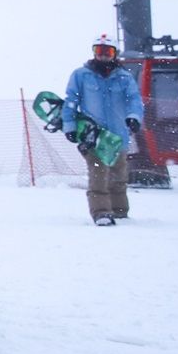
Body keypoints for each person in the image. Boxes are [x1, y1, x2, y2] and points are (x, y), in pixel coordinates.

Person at [61, 37, 146, 227]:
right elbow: (71, 101)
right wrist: (70, 126)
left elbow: (134, 100)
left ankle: (120, 211)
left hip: (118, 137)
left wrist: (134, 117)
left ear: (115, 54)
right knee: (99, 174)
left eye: (107, 52)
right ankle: (101, 213)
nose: (102, 55)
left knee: (118, 175)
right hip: (94, 136)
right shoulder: (81, 75)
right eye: (98, 50)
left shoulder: (124, 78)